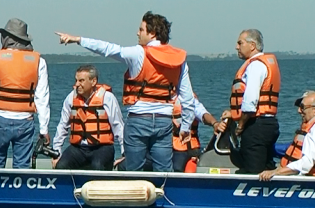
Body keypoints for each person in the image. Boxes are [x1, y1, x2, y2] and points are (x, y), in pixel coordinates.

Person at [56, 11, 196, 172]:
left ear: (152, 33)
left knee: (133, 169)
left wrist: (77, 39)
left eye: (141, 29)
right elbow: (187, 98)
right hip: (164, 122)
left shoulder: (138, 53)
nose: (137, 33)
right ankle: (163, 195)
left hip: (138, 120)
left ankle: (134, 194)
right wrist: (185, 127)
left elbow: (108, 49)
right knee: (164, 170)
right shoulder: (179, 59)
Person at [0, 19, 50, 168]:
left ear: (7, 38)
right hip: (25, 121)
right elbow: (42, 98)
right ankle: (19, 190)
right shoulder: (39, 62)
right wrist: (44, 130)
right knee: (22, 167)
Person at [214, 29, 281, 174]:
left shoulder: (255, 66)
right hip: (269, 124)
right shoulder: (263, 64)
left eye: (240, 43)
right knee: (266, 167)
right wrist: (233, 113)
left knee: (253, 171)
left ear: (252, 45)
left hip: (256, 126)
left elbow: (250, 103)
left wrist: (241, 126)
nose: (236, 47)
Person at [259, 91, 315, 180]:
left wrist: (275, 172)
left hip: (311, 179)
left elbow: (307, 163)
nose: (299, 110)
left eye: (302, 107)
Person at [51, 65, 125, 170]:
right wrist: (56, 152)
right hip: (78, 148)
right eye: (76, 80)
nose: (77, 84)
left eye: (81, 81)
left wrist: (125, 153)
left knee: (98, 166)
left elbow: (118, 126)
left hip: (102, 148)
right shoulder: (71, 98)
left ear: (93, 81)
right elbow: (62, 126)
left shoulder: (108, 98)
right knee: (62, 165)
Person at [171, 94, 218, 172]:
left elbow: (203, 114)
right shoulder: (162, 98)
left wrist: (214, 123)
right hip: (168, 146)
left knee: (180, 170)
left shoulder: (191, 101)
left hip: (188, 148)